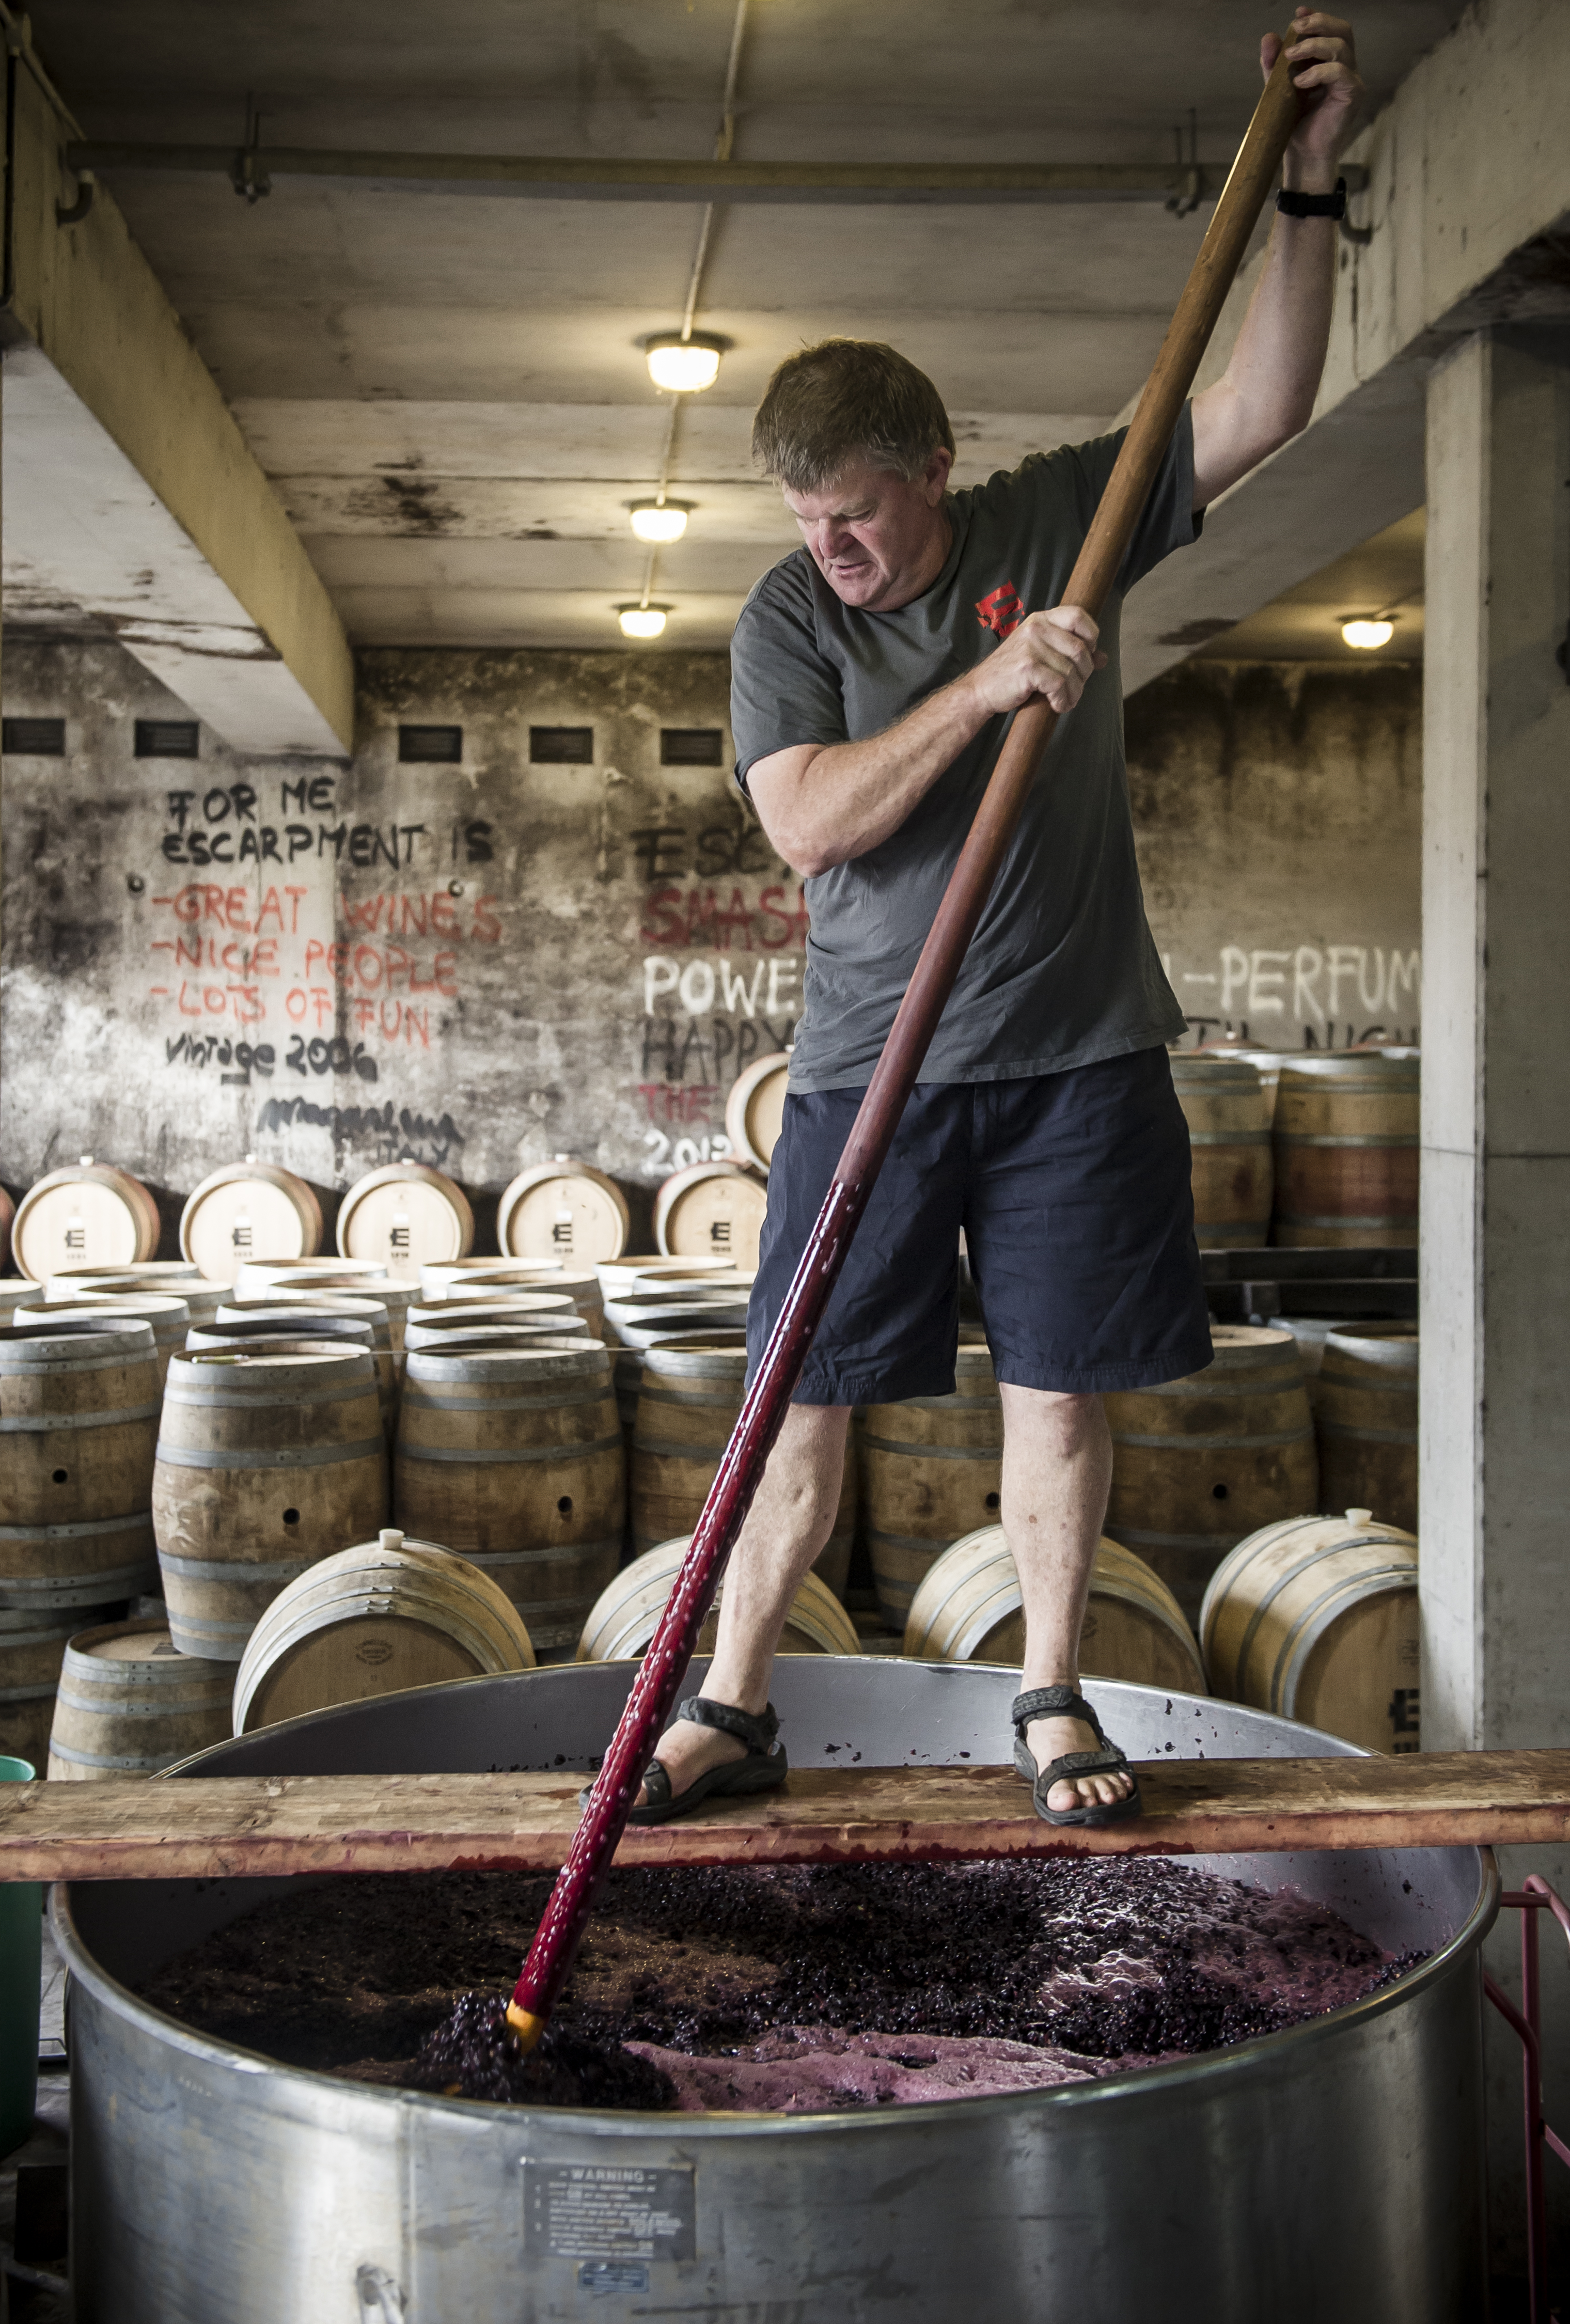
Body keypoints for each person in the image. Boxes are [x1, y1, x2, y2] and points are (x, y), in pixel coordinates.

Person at [629, 12, 1365, 1828]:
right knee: (798, 1405)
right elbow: (808, 824)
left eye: (859, 514)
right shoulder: (785, 623)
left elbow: (1261, 405)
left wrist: (1311, 187)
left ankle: (1049, 1694)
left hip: (1075, 1057)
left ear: (935, 466)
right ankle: (736, 1701)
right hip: (867, 1067)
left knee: (1059, 1393)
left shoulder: (1071, 514)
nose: (833, 549)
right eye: (806, 519)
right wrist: (977, 691)